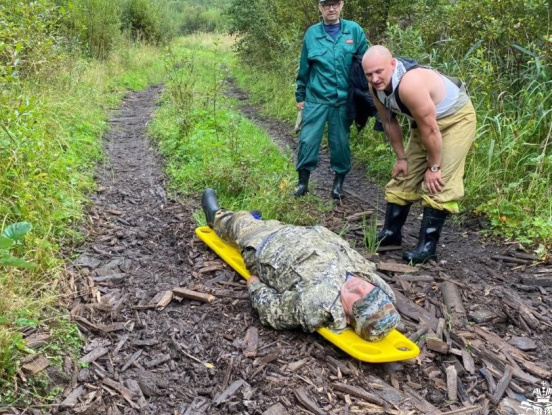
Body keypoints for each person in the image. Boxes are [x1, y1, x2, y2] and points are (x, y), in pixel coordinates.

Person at [201, 189, 400, 342]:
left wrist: (255, 286)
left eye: (358, 300)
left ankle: (217, 216)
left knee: (239, 223)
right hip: (296, 234)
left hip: (265, 244)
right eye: (370, 292)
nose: (360, 289)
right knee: (266, 222)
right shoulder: (369, 279)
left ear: (346, 317)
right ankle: (254, 219)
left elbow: (274, 312)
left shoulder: (317, 304)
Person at [362, 45, 477, 264]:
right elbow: (388, 121)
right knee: (403, 178)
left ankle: (428, 246)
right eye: (369, 74)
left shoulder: (410, 85)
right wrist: (401, 158)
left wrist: (434, 167)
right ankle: (391, 234)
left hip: (455, 120)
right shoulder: (374, 88)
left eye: (379, 72)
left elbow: (431, 130)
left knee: (439, 183)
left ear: (392, 64)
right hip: (423, 123)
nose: (375, 78)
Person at [294, 0, 369, 200]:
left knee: (340, 143)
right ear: (320, 7)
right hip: (316, 99)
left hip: (343, 101)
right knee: (307, 140)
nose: (331, 9)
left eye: (335, 4)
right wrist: (300, 96)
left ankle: (338, 185)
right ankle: (303, 183)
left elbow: (366, 63)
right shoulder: (312, 34)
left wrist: (366, 95)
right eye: (326, 5)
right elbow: (304, 67)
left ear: (342, 5)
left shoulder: (353, 31)